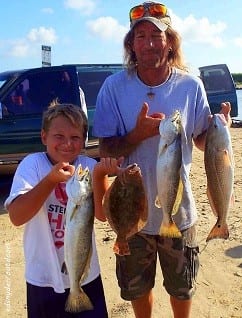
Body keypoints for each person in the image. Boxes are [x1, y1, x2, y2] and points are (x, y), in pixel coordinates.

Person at [92, 2, 231, 318]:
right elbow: (107, 151)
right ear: (131, 44)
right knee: (138, 289)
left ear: (171, 42)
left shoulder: (190, 85)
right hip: (132, 214)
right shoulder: (114, 87)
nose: (149, 43)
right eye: (141, 36)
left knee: (182, 288)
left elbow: (199, 139)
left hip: (180, 214)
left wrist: (217, 129)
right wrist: (138, 134)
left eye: (157, 35)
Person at [4, 102, 120, 318]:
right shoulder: (32, 165)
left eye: (75, 137)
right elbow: (17, 217)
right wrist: (51, 180)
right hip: (43, 278)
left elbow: (103, 216)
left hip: (86, 276)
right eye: (59, 136)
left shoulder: (88, 167)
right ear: (43, 137)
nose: (67, 143)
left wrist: (101, 175)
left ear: (84, 141)